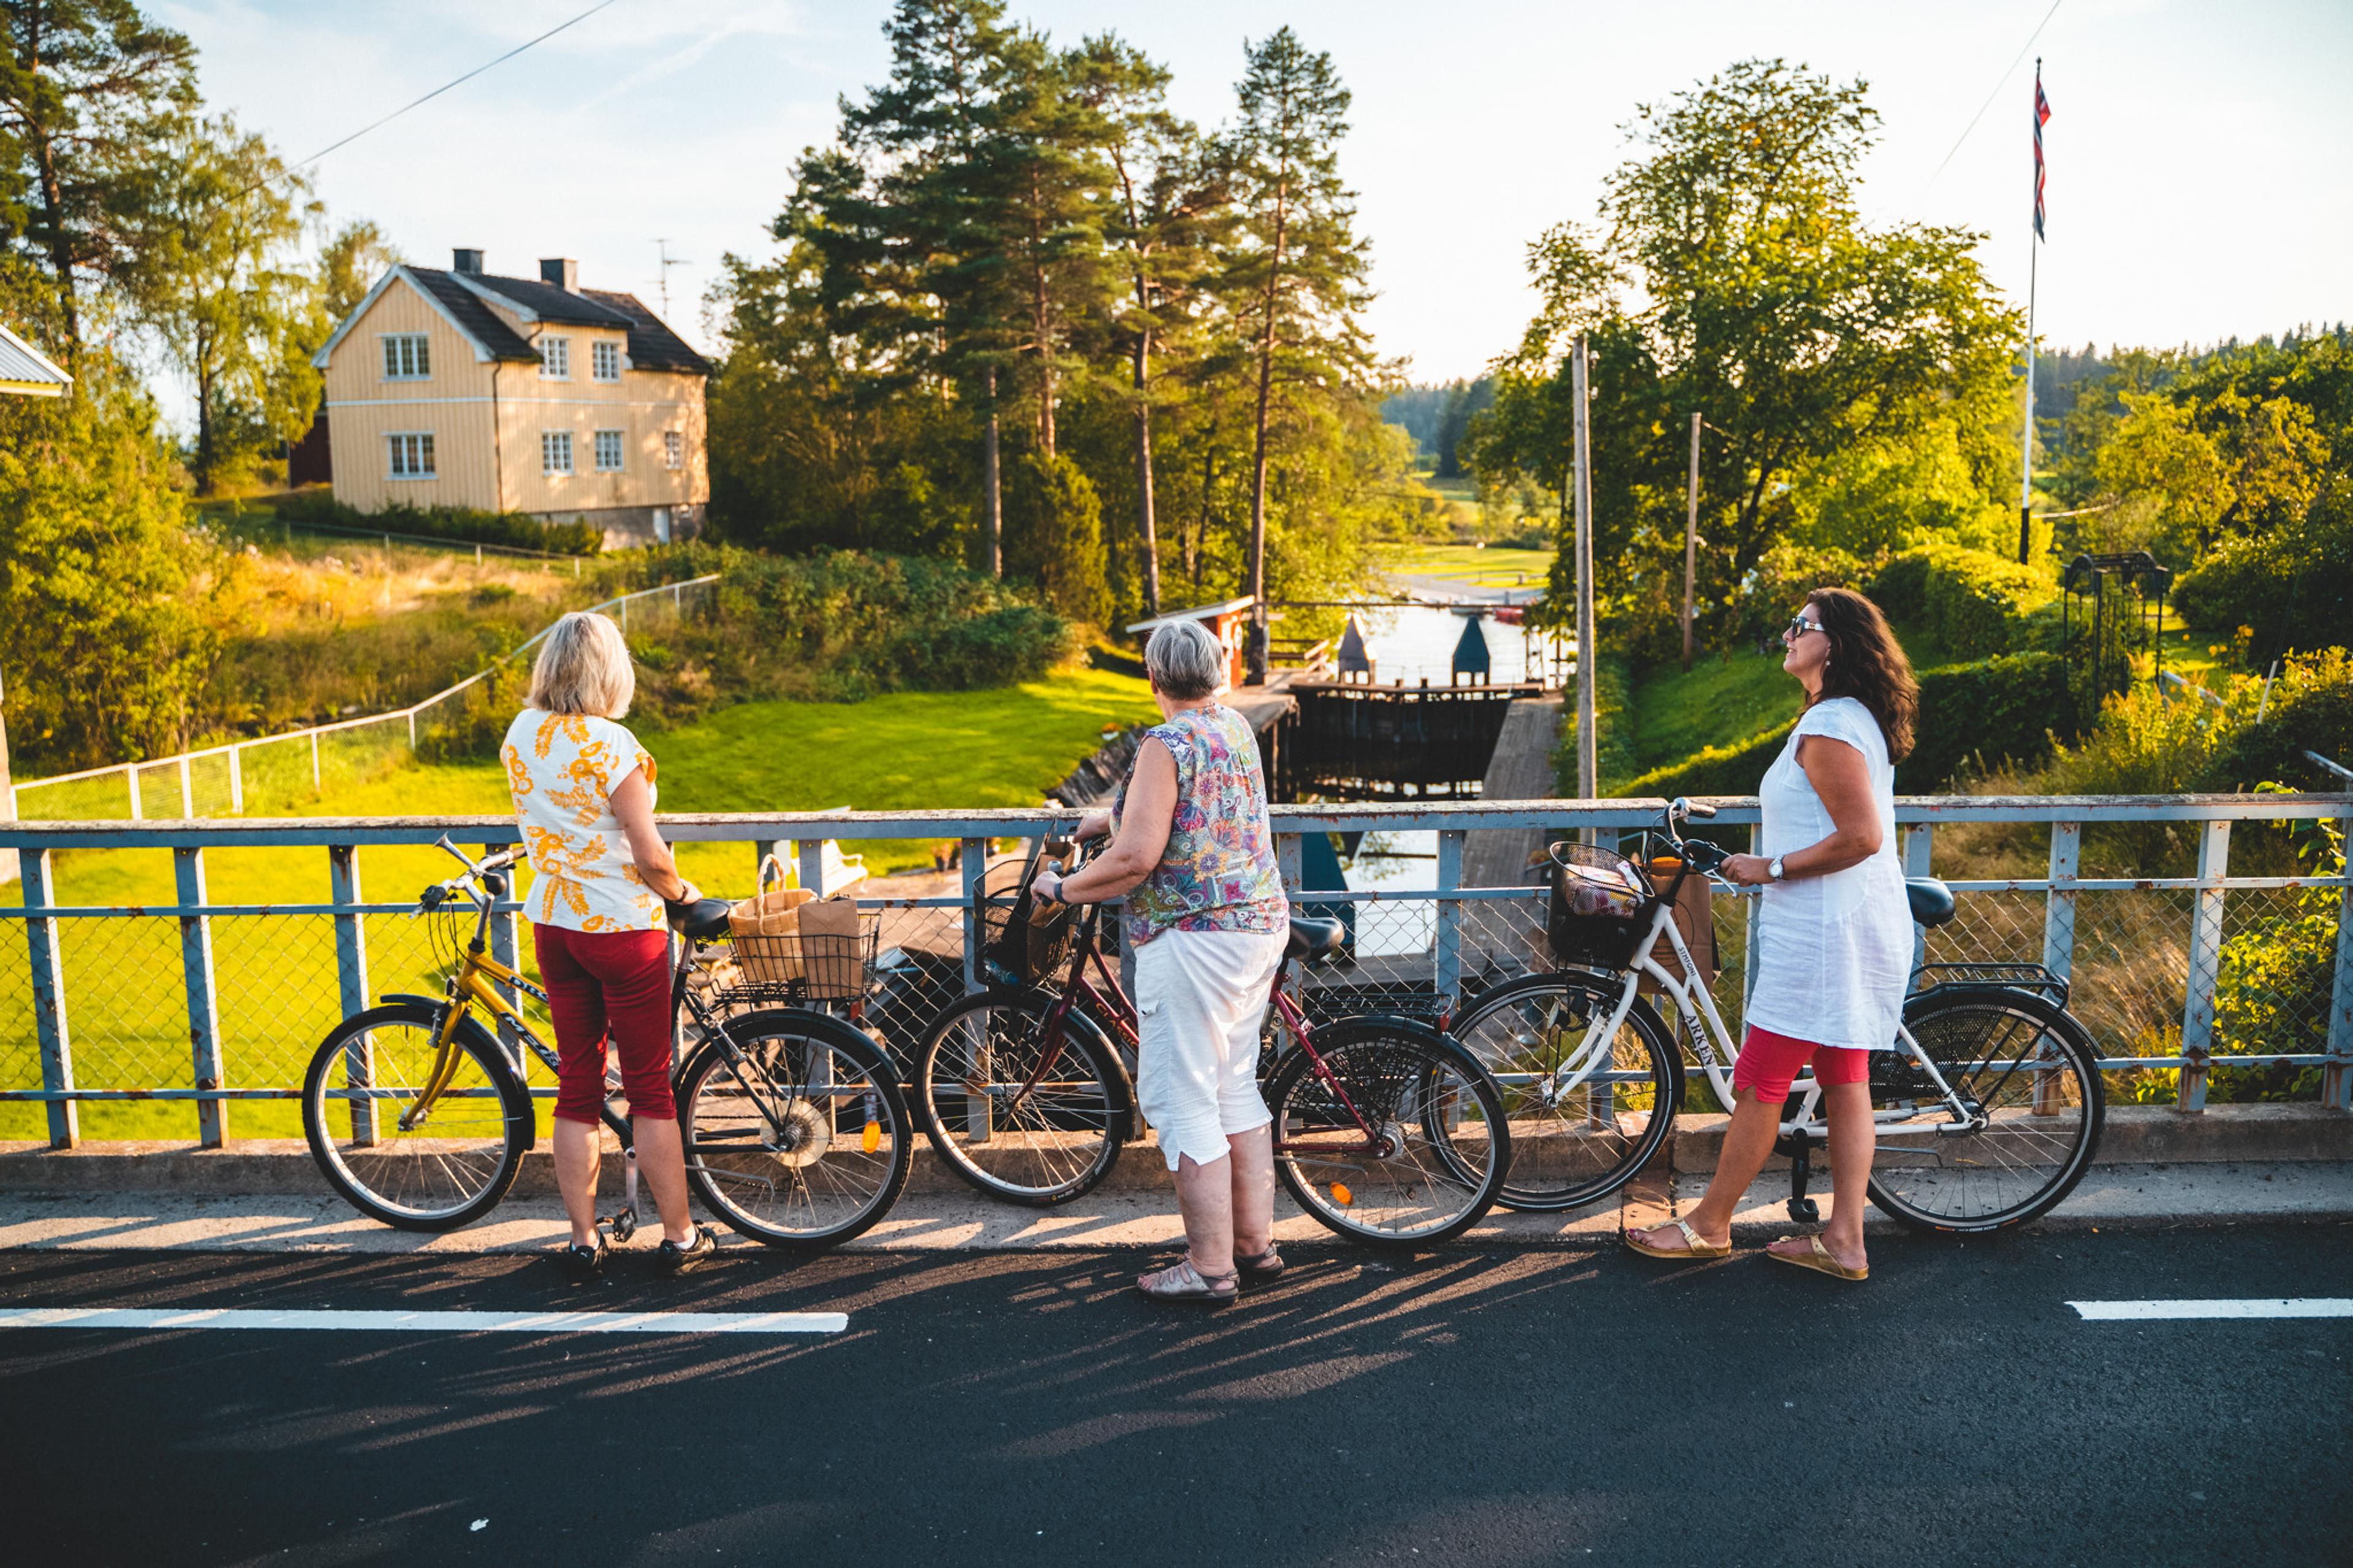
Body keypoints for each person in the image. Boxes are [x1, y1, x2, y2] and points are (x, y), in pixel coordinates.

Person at [1628, 587, 1918, 1281]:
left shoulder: (1833, 727)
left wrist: (1771, 866)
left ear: (1836, 643)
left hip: (1822, 934)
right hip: (1840, 924)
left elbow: (1862, 838)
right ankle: (1845, 1241)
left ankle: (1707, 1225)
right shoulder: (1840, 718)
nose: (1788, 634)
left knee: (1760, 1079)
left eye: (1803, 625)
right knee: (1846, 1081)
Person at [1033, 619, 1290, 1305]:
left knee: (1182, 1100)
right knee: (1234, 1085)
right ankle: (1254, 1246)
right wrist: (1108, 818)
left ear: (1153, 680)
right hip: (1257, 927)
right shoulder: (1233, 728)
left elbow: (1139, 858)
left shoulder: (1164, 743)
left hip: (1194, 938)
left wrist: (1063, 888)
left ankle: (1209, 1270)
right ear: (1215, 670)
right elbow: (1189, 816)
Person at [501, 610, 713, 1278]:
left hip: (556, 923)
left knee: (578, 1086)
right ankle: (678, 1236)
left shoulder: (522, 734)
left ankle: (583, 1240)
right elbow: (650, 856)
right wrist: (683, 896)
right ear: (609, 670)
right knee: (651, 1090)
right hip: (623, 928)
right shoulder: (614, 745)